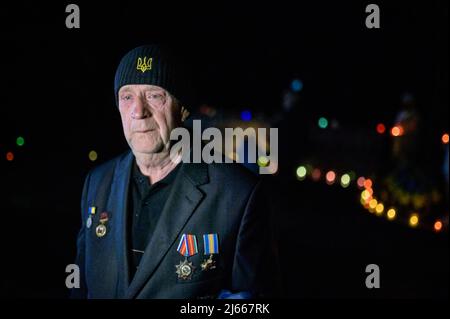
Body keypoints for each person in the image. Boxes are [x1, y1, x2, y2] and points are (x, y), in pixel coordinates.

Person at [71, 45, 280, 299]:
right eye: (127, 97)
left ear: (182, 109)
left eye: (154, 95)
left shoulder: (238, 195)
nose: (139, 111)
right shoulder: (97, 182)